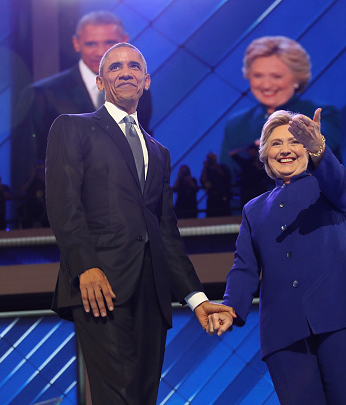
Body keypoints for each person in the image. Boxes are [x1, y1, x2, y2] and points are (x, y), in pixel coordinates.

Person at [46, 43, 235, 405]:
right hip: (100, 286)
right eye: (115, 67)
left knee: (144, 396)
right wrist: (85, 266)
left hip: (152, 290)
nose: (125, 72)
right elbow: (63, 204)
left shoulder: (158, 152)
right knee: (116, 395)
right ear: (101, 82)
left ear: (146, 81)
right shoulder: (72, 128)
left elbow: (166, 233)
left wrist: (196, 299)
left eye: (134, 66)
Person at [213, 109, 346, 404]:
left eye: (294, 141)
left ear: (307, 148)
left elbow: (342, 187)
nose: (285, 150)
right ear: (265, 153)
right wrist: (230, 307)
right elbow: (244, 267)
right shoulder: (253, 210)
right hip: (285, 334)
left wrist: (321, 147)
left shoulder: (328, 186)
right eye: (276, 143)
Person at [14, 11, 153, 193]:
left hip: (127, 206)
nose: (100, 52)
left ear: (124, 41)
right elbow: (29, 163)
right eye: (91, 44)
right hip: (67, 209)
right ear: (76, 43)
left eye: (109, 43)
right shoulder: (43, 95)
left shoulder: (139, 90)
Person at [220, 35, 342, 180]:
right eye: (258, 75)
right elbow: (226, 173)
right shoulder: (236, 123)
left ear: (297, 79)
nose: (266, 85)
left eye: (276, 76)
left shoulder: (321, 112)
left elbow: (325, 146)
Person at [228, 142, 272, 207]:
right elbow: (231, 153)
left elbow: (267, 177)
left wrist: (259, 168)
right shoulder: (245, 163)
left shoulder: (262, 164)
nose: (252, 153)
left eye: (253, 151)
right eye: (250, 151)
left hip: (259, 190)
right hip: (247, 190)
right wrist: (245, 149)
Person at [17, 160, 49, 228]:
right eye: (38, 169)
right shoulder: (29, 179)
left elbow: (51, 186)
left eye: (41, 168)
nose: (39, 170)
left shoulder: (47, 178)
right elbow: (23, 189)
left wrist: (43, 177)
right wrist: (32, 176)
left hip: (44, 207)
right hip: (31, 207)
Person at [200, 152, 231, 217]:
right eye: (209, 159)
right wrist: (205, 168)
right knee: (211, 215)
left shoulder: (222, 167)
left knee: (224, 215)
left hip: (222, 195)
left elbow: (226, 177)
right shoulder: (207, 170)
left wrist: (215, 167)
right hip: (212, 197)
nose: (211, 161)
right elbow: (203, 182)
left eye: (212, 159)